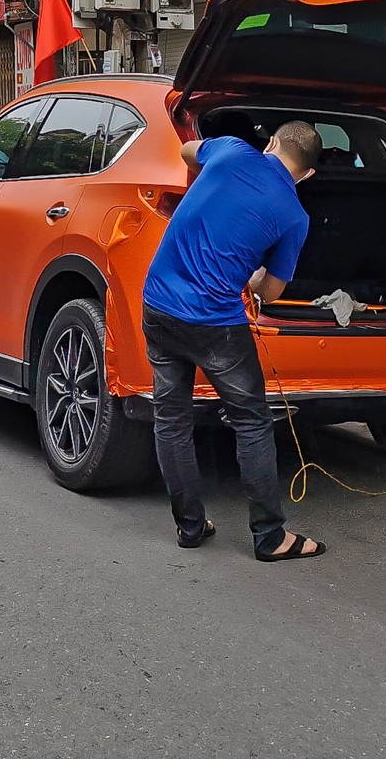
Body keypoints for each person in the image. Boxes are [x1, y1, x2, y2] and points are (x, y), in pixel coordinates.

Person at [143, 120, 326, 561]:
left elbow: (189, 150)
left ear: (272, 142)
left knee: (171, 419)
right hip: (216, 325)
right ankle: (270, 536)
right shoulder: (294, 216)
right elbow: (272, 291)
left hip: (158, 303)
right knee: (251, 422)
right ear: (308, 175)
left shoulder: (228, 151)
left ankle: (190, 527)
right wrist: (255, 273)